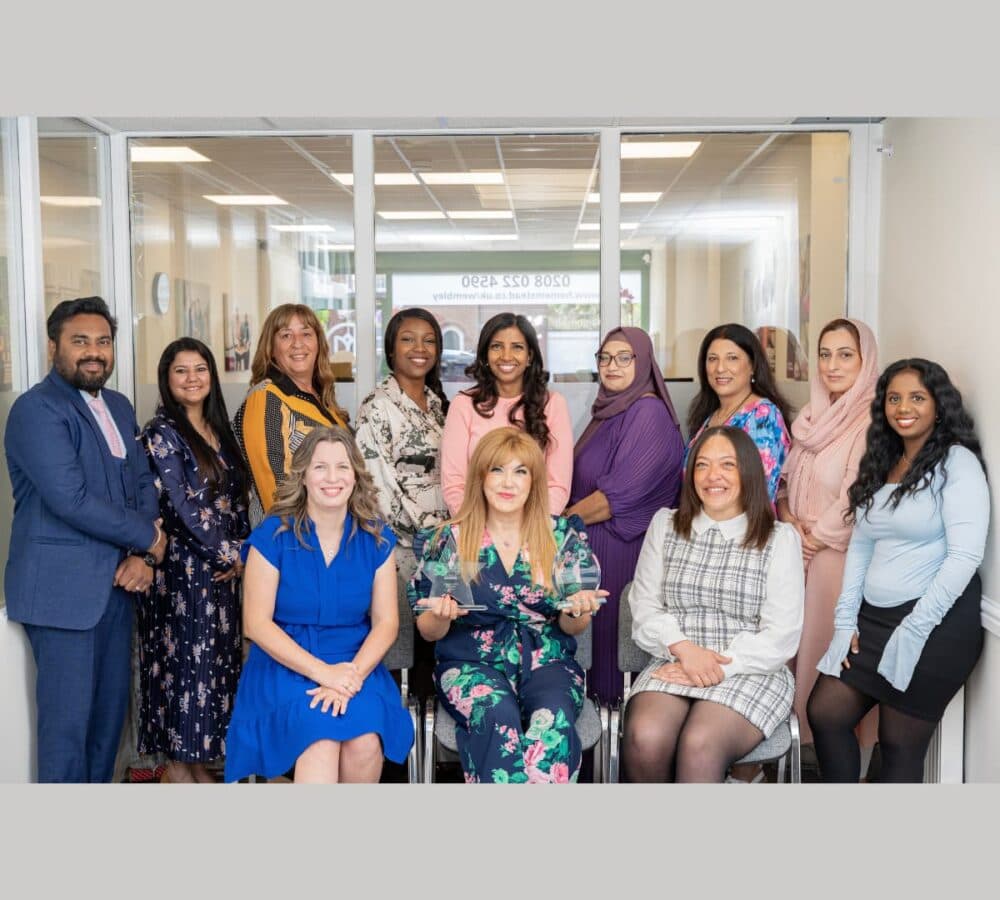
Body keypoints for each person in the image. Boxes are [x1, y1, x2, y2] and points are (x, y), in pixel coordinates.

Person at [4, 296, 166, 782]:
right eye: (80, 342)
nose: (94, 352)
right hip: (62, 596)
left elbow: (141, 482)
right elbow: (70, 499)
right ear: (54, 346)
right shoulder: (36, 410)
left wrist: (144, 556)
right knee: (67, 733)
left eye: (103, 341)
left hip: (118, 588)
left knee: (107, 729)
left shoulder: (116, 405)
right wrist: (150, 537)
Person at [809, 359, 990, 783]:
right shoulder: (882, 459)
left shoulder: (956, 463)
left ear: (939, 406)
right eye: (893, 398)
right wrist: (844, 619)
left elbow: (965, 557)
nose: (902, 407)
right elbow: (862, 544)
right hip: (875, 618)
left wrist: (915, 628)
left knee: (898, 746)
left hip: (937, 624)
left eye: (916, 397)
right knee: (825, 712)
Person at [409, 427, 606, 783]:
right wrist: (439, 614)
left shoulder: (559, 536)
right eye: (497, 470)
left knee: (553, 720)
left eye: (520, 471)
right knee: (496, 717)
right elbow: (427, 630)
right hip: (470, 661)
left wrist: (578, 609)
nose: (508, 482)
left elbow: (572, 626)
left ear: (534, 481)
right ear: (480, 477)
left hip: (547, 660)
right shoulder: (451, 538)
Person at [223, 427, 413, 783]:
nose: (332, 478)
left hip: (356, 662)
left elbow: (387, 623)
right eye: (320, 467)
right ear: (304, 476)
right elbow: (256, 624)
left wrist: (349, 676)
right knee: (320, 740)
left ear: (355, 475)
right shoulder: (272, 535)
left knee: (365, 742)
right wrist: (323, 674)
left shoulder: (376, 537)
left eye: (342, 467)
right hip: (286, 662)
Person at [622, 426, 803, 783]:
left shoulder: (779, 538)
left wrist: (718, 666)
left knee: (700, 743)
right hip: (675, 660)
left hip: (750, 669)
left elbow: (781, 635)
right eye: (701, 465)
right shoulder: (666, 525)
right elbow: (643, 607)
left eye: (727, 465)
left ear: (748, 472)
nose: (712, 476)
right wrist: (687, 651)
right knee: (646, 736)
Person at [139, 338, 251, 784]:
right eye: (180, 370)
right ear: (167, 379)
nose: (191, 378)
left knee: (215, 675)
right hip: (182, 576)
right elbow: (183, 509)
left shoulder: (220, 430)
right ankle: (180, 772)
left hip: (224, 576)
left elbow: (237, 500)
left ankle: (195, 768)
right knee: (186, 674)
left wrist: (244, 554)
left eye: (200, 368)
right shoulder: (161, 433)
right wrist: (230, 554)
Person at [776, 318, 880, 761]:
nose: (832, 365)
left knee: (825, 662)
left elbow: (860, 490)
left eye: (845, 354)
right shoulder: (811, 418)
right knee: (794, 655)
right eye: (824, 354)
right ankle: (796, 758)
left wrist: (813, 538)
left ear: (866, 360)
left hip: (836, 561)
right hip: (795, 552)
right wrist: (788, 522)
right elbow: (783, 483)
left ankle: (833, 765)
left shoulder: (872, 420)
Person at [565, 326, 685, 705]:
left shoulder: (647, 412)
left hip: (619, 553)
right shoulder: (609, 411)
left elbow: (615, 497)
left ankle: (612, 751)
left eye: (623, 357)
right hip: (595, 548)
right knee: (588, 644)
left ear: (644, 361)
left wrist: (559, 523)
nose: (612, 365)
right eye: (605, 357)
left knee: (607, 655)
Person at [440, 313, 573, 517]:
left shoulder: (553, 404)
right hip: (476, 531)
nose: (506, 356)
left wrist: (531, 530)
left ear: (529, 356)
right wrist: (483, 534)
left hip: (536, 530)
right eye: (496, 346)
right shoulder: (463, 405)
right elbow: (454, 484)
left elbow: (558, 485)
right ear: (485, 356)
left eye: (517, 347)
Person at [356, 307, 450, 582]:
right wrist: (431, 532)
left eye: (429, 340)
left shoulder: (438, 406)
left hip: (446, 547)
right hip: (403, 551)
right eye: (408, 339)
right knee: (405, 625)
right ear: (391, 351)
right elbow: (376, 489)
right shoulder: (377, 407)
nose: (419, 348)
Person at [234, 303, 349, 524]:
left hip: (333, 532)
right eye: (286, 335)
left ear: (318, 344)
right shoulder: (266, 396)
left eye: (306, 333)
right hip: (294, 540)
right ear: (271, 349)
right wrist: (305, 541)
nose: (298, 343)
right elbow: (273, 489)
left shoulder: (322, 400)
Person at [686, 323, 794, 503]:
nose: (720, 368)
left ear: (753, 366)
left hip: (743, 529)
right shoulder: (710, 415)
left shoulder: (763, 416)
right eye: (712, 359)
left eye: (732, 358)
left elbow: (759, 493)